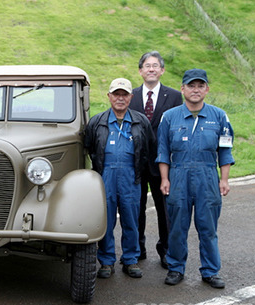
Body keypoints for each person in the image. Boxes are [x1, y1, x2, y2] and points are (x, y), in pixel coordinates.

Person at [156, 69, 234, 288]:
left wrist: (224, 179)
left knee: (207, 228)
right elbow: (163, 151)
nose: (196, 90)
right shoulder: (170, 117)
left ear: (207, 89)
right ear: (183, 89)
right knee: (178, 227)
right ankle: (175, 268)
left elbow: (225, 151)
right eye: (191, 86)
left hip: (207, 177)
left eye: (200, 86)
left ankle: (210, 271)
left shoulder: (219, 116)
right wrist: (165, 178)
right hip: (178, 176)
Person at [84, 78, 156, 279]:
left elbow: (149, 148)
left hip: (131, 178)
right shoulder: (97, 122)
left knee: (131, 220)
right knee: (105, 221)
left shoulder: (141, 121)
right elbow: (89, 147)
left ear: (131, 97)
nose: (120, 98)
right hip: (105, 176)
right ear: (109, 96)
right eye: (116, 94)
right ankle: (106, 261)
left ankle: (131, 260)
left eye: (124, 94)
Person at [129, 51, 183, 268]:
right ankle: (137, 248)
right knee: (135, 208)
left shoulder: (174, 97)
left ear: (162, 70)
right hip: (136, 164)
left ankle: (166, 250)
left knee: (165, 209)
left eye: (155, 66)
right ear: (140, 70)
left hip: (164, 165)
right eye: (147, 66)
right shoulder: (130, 96)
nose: (151, 69)